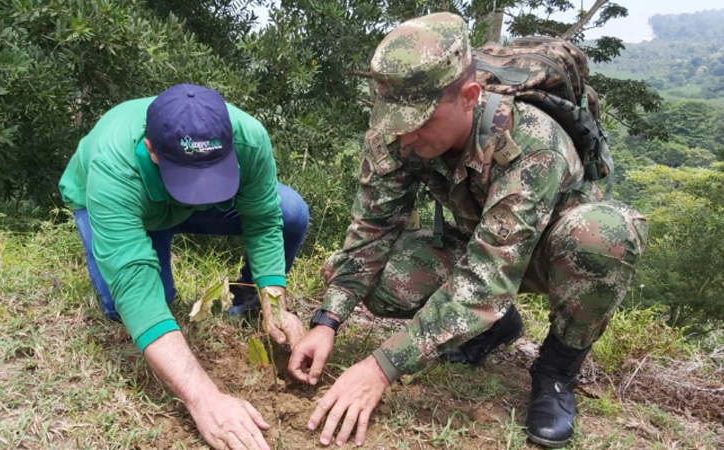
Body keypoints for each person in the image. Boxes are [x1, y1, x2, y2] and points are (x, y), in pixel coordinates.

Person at [288, 13, 647, 448]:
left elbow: (488, 278)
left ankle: (555, 370)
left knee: (605, 234)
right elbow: (372, 230)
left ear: (469, 97)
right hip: (480, 242)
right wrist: (327, 321)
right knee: (375, 279)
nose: (404, 136)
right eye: (394, 119)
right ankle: (494, 327)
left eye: (419, 121)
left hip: (549, 257)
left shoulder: (533, 140)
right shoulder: (396, 131)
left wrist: (381, 366)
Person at [59, 83, 309, 450]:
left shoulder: (249, 138)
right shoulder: (114, 166)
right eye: (190, 179)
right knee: (128, 307)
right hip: (133, 202)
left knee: (290, 212)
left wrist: (274, 302)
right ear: (152, 151)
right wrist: (205, 400)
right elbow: (134, 283)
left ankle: (245, 304)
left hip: (183, 201)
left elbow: (263, 219)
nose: (202, 190)